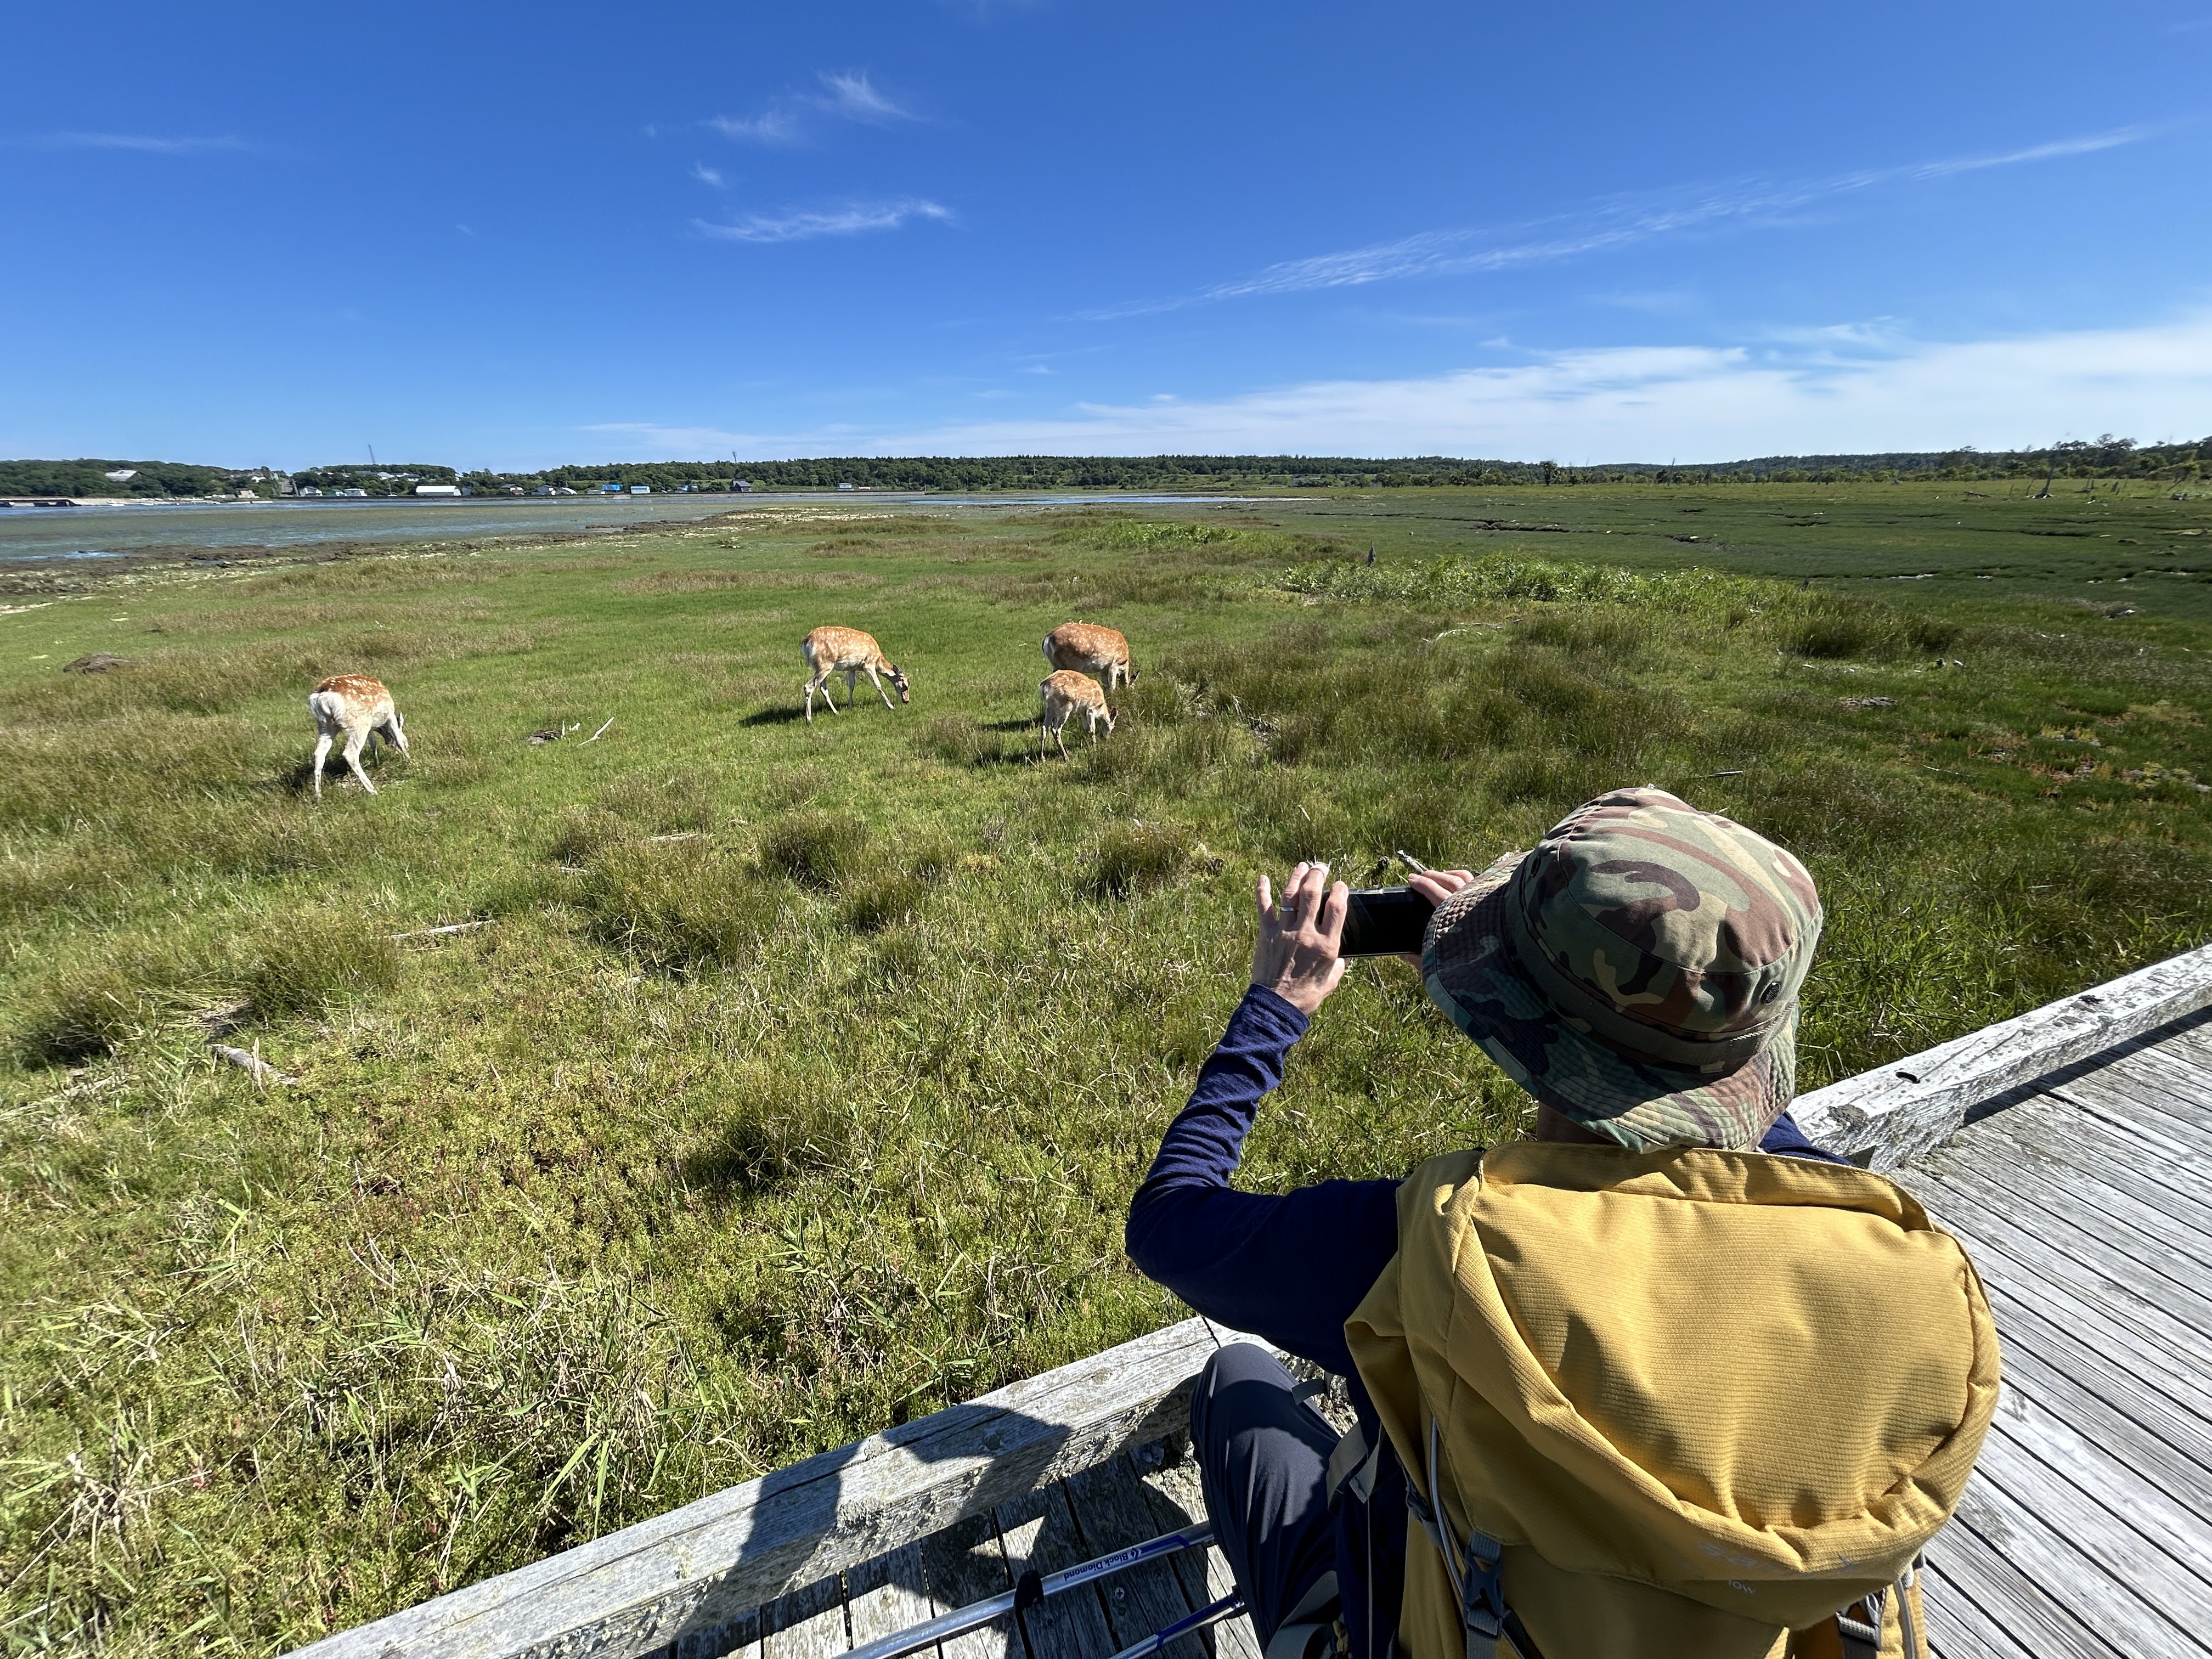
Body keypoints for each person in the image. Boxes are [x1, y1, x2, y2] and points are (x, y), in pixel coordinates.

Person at [1126, 787, 1996, 1659]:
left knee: (1239, 1383)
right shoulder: (1882, 1257)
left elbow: (1168, 1222)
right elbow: (1739, 1133)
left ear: (1531, 1026)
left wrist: (1275, 1007)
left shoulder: (1422, 1251)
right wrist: (1544, 990)